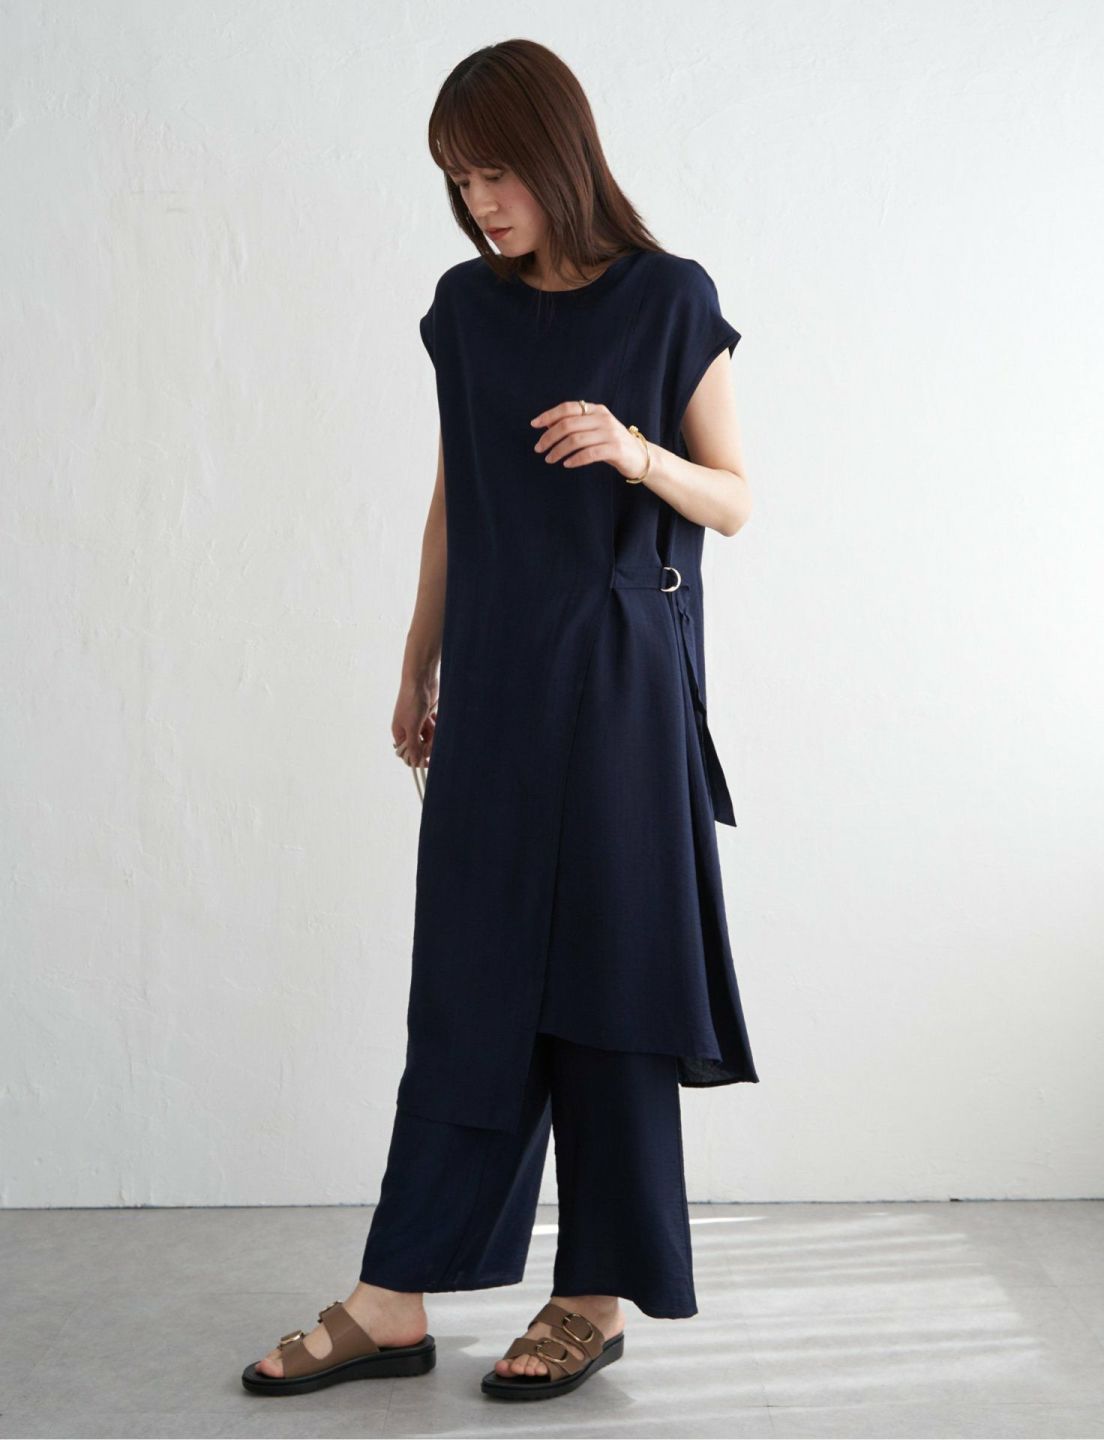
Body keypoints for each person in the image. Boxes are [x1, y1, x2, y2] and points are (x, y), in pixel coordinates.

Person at [242, 37, 759, 1402]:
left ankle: (592, 1297)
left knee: (610, 987)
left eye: (495, 172)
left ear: (558, 155)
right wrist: (419, 659)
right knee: (467, 986)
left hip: (624, 693)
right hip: (499, 683)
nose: (478, 202)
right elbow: (454, 497)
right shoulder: (465, 311)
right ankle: (393, 1300)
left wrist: (633, 450)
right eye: (458, 180)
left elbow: (735, 498)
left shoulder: (670, 297)